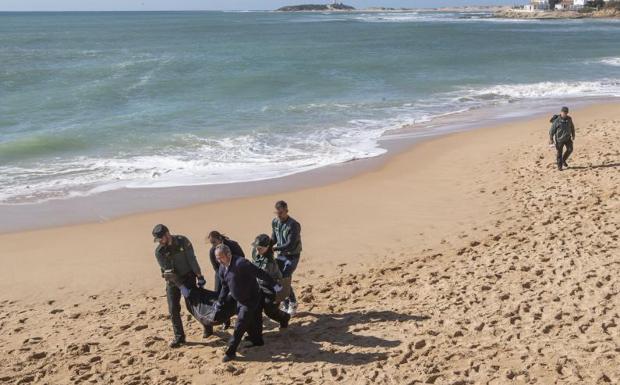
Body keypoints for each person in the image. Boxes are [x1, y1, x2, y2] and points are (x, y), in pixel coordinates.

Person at [214, 244, 282, 362]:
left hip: (251, 299)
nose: (219, 260)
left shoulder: (241, 263)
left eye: (221, 257)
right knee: (254, 320)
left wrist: (274, 284)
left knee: (240, 325)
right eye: (217, 258)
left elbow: (260, 273)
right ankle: (258, 341)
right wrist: (220, 302)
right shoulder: (222, 268)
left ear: (228, 254)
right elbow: (225, 286)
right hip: (239, 299)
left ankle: (230, 352)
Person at [153, 224, 212, 348]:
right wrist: (181, 287)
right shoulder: (159, 252)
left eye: (160, 239)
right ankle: (179, 337)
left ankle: (207, 325)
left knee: (193, 306)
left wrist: (199, 276)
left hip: (188, 277)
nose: (159, 242)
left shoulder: (182, 241)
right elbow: (168, 272)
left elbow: (192, 259)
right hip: (172, 281)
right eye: (157, 240)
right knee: (173, 308)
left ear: (167, 234)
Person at [251, 234, 291, 329]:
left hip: (272, 288)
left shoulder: (269, 262)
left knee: (270, 311)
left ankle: (284, 318)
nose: (257, 250)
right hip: (259, 284)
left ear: (267, 247)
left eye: (260, 248)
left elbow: (264, 276)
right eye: (256, 247)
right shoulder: (256, 252)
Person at [271, 200, 302, 316]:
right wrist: (265, 245)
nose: (279, 215)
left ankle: (293, 302)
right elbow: (273, 239)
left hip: (292, 255)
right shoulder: (275, 222)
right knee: (277, 277)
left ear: (286, 211)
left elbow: (291, 244)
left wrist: (274, 249)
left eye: (281, 213)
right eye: (277, 213)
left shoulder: (294, 225)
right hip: (281, 255)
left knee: (285, 278)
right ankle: (285, 301)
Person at [549, 106, 576, 171]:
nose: (565, 114)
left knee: (570, 149)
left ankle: (563, 160)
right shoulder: (557, 121)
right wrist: (551, 139)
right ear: (561, 112)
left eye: (566, 113)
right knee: (559, 153)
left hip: (567, 138)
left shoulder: (569, 119)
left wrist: (573, 135)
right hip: (559, 140)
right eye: (564, 112)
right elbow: (551, 131)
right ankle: (559, 166)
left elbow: (572, 127)